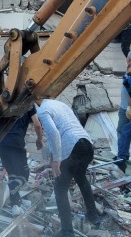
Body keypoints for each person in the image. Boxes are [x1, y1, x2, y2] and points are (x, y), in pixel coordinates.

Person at [37, 99, 102, 237]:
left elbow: (53, 133)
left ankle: (67, 232)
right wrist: (52, 153)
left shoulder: (43, 109)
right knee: (81, 178)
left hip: (72, 146)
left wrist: (56, 159)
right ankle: (93, 216)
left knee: (60, 189)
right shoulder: (60, 104)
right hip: (87, 144)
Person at [0, 107, 43, 210]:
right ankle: (8, 189)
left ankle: (15, 205)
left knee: (13, 175)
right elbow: (37, 125)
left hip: (0, 143)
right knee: (24, 175)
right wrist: (39, 139)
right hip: (16, 142)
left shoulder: (7, 101)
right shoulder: (29, 104)